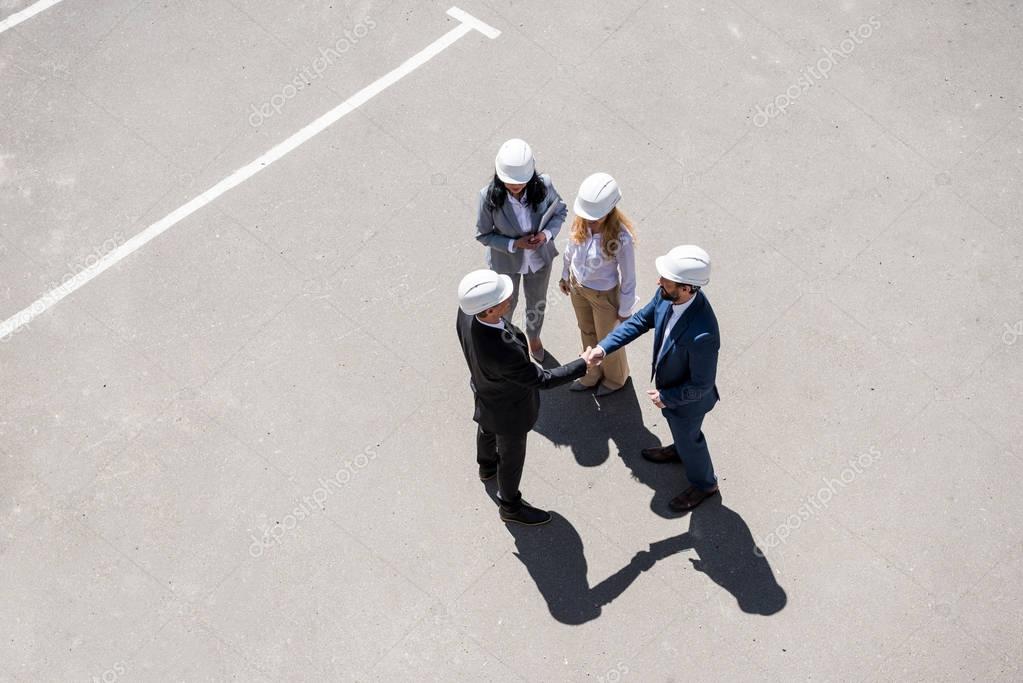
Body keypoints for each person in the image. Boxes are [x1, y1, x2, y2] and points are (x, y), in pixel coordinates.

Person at [584, 246, 722, 511]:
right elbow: (639, 322)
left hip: (686, 402)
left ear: (686, 288)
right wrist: (603, 349)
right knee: (682, 436)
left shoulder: (703, 334)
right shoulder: (665, 296)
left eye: (666, 280)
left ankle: (705, 484)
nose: (659, 282)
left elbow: (701, 385)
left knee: (690, 438)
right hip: (670, 394)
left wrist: (667, 398)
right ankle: (679, 450)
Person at [456, 269, 590, 525]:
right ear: (492, 310)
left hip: (485, 392)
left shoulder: (466, 312)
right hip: (510, 412)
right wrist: (583, 363)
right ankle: (510, 507)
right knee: (511, 459)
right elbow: (542, 380)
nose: (510, 298)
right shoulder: (502, 352)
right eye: (504, 298)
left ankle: (486, 467)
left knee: (486, 428)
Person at [475, 138, 568, 362]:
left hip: (539, 260)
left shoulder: (544, 186)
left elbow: (560, 211)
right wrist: (515, 244)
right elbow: (483, 234)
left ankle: (533, 338)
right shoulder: (488, 197)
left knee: (537, 302)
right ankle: (505, 337)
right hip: (506, 263)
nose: (515, 186)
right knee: (505, 304)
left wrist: (545, 235)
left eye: (520, 181)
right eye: (509, 181)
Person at [558, 173, 638, 397]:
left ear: (609, 210)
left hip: (604, 296)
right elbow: (570, 251)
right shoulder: (581, 221)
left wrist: (625, 310)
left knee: (608, 341)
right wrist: (565, 276)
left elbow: (629, 276)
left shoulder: (622, 238)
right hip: (578, 287)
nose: (589, 220)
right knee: (586, 332)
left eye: (595, 217)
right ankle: (590, 374)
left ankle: (615, 379)